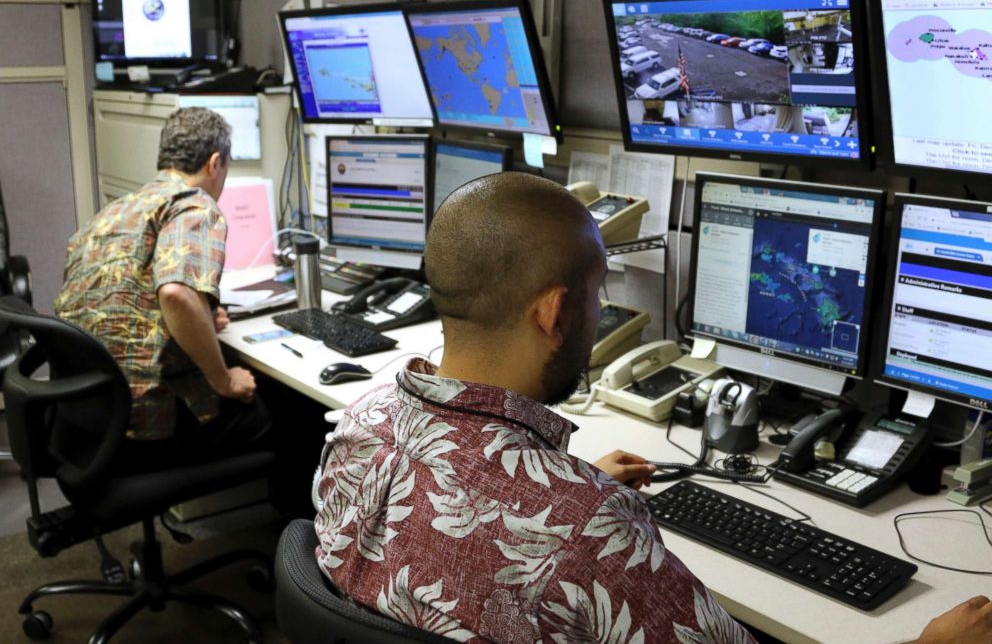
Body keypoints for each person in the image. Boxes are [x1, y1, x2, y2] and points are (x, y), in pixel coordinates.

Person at [312, 172, 991, 643]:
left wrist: (564, 480)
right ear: (553, 310)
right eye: (597, 291)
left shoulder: (361, 423)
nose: (601, 311)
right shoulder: (586, 526)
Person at [55, 107, 269, 469]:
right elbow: (175, 293)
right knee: (285, 409)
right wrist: (224, 381)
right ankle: (302, 527)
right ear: (215, 163)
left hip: (88, 419)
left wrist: (198, 319)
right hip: (146, 424)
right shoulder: (194, 203)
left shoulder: (115, 211)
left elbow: (121, 304)